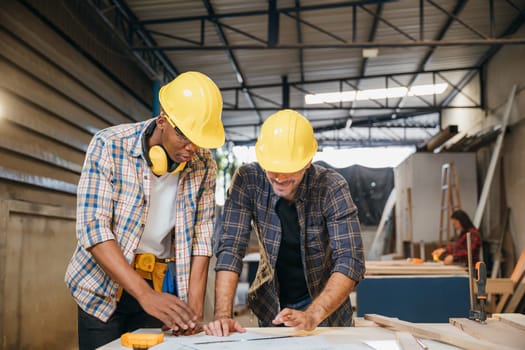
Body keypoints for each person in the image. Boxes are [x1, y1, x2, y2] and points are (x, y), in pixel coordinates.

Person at [65, 71, 224, 349]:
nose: (192, 148)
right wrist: (142, 294)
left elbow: (202, 236)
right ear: (162, 121)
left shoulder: (204, 164)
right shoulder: (109, 145)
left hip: (156, 287)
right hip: (101, 291)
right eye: (184, 137)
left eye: (199, 139)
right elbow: (93, 227)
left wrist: (194, 306)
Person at [204, 109, 365, 336]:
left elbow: (351, 260)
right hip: (271, 305)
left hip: (326, 310)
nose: (279, 178)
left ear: (307, 161)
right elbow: (230, 248)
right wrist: (222, 316)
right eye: (272, 168)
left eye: (288, 169)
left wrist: (313, 314)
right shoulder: (248, 181)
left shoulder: (331, 187)